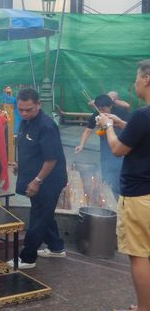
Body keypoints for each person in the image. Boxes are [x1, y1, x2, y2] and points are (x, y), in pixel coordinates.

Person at [96, 60, 150, 311]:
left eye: (137, 78)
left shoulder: (143, 114)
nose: (135, 83)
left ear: (147, 79)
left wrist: (107, 126)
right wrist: (120, 122)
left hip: (140, 194)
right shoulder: (140, 118)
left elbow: (118, 149)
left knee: (139, 254)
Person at [11, 88, 68, 269]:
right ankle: (56, 247)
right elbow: (28, 147)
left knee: (38, 217)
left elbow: (51, 159)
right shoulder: (25, 122)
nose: (24, 113)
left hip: (49, 180)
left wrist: (37, 181)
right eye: (20, 109)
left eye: (29, 109)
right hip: (36, 175)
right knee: (44, 213)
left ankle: (27, 258)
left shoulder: (46, 125)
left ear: (38, 104)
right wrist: (21, 165)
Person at [75, 94, 129, 195]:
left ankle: (120, 193)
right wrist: (81, 145)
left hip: (120, 145)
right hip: (105, 145)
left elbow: (130, 128)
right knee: (106, 167)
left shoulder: (121, 112)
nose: (101, 112)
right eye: (99, 109)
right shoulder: (97, 114)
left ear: (110, 106)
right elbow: (87, 131)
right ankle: (108, 191)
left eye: (104, 109)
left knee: (119, 170)